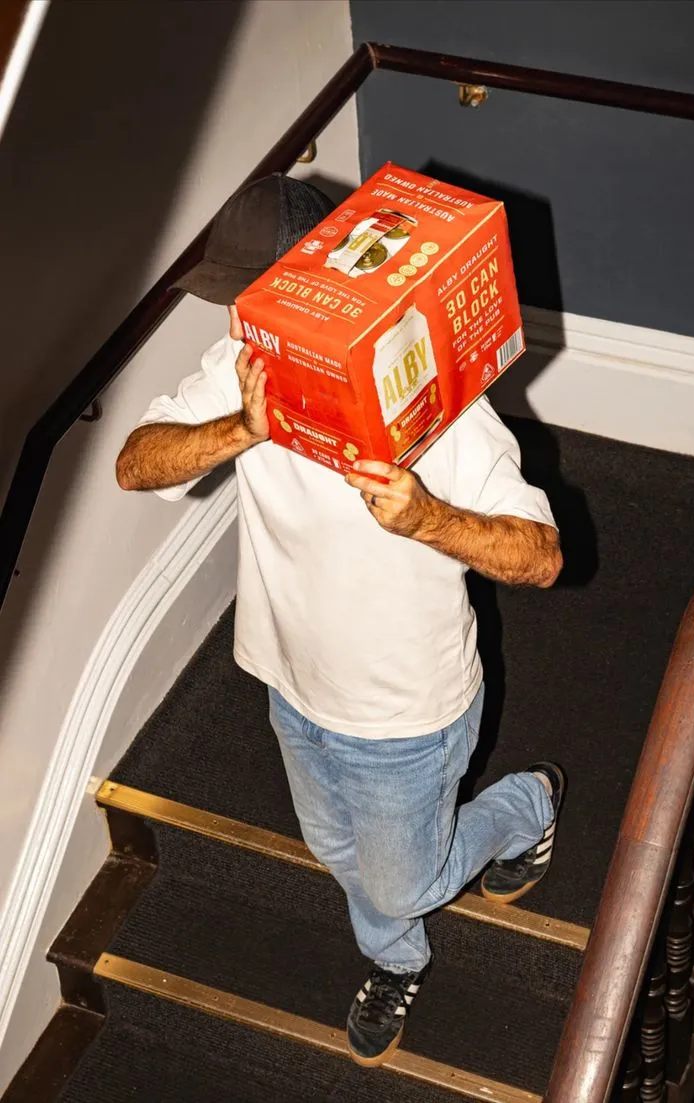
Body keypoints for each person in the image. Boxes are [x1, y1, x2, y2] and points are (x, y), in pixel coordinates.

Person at [116, 173, 565, 1068]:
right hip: (290, 682)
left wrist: (425, 515)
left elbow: (544, 555)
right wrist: (239, 431)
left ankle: (529, 805)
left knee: (407, 879)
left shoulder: (429, 398)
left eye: (253, 293)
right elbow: (136, 463)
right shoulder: (240, 360)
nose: (242, 314)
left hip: (405, 716)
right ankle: (397, 956)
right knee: (331, 845)